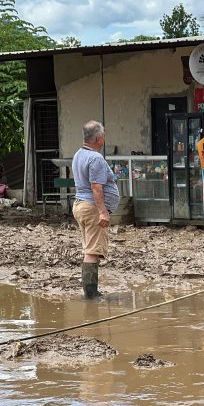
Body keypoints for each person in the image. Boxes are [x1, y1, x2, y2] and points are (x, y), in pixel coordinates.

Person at [72, 121, 120, 299]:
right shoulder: (96, 158)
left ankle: (91, 293)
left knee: (89, 249)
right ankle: (91, 295)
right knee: (92, 252)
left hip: (80, 205)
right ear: (99, 139)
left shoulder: (79, 154)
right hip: (91, 207)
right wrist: (103, 211)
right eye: (104, 136)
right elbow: (96, 188)